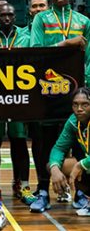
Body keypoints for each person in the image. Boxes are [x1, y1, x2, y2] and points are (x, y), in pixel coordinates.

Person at [30, 0, 90, 212]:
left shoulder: (83, 21)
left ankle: (80, 194)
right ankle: (43, 191)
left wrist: (85, 88)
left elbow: (88, 59)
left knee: (79, 144)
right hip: (48, 91)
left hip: (76, 92)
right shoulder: (41, 19)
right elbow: (35, 52)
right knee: (44, 143)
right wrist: (65, 44)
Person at [0, 4, 35, 205]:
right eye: (2, 14)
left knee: (19, 141)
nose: (6, 18)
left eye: (10, 14)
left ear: (15, 16)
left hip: (19, 95)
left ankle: (23, 184)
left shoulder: (25, 34)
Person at [49, 87, 90, 216]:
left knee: (79, 166)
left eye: (85, 104)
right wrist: (54, 169)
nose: (79, 109)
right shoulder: (73, 121)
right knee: (56, 166)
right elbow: (59, 148)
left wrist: (80, 164)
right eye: (75, 104)